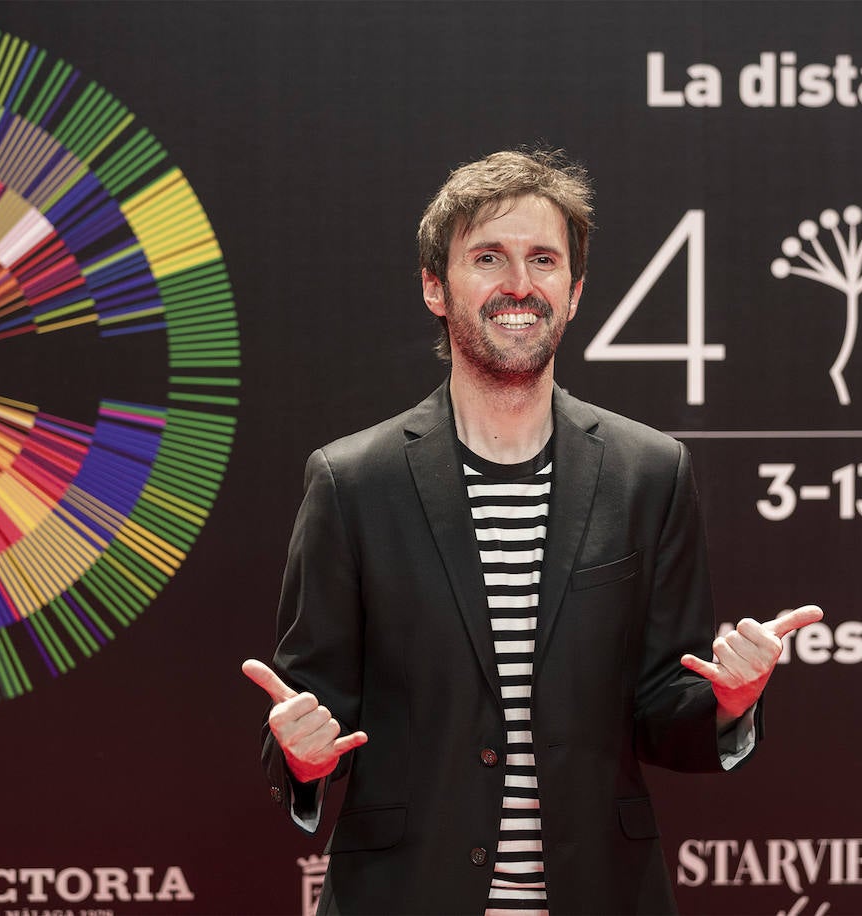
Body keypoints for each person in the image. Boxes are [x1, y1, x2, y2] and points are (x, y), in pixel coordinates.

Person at [243, 148, 821, 915]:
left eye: (542, 260)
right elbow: (313, 716)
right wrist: (300, 756)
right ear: (434, 287)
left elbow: (662, 715)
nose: (519, 284)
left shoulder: (649, 473)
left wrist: (731, 703)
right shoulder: (353, 483)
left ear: (574, 293)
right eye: (488, 257)